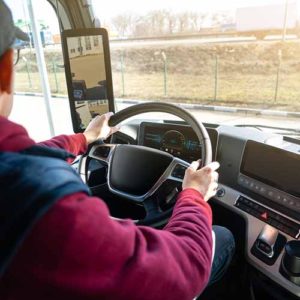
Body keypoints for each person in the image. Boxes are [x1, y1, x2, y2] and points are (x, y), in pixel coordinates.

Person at [0, 1, 235, 299]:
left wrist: (84, 138)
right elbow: (184, 270)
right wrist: (193, 197)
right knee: (222, 239)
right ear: (6, 68)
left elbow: (25, 155)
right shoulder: (41, 201)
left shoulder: (15, 169)